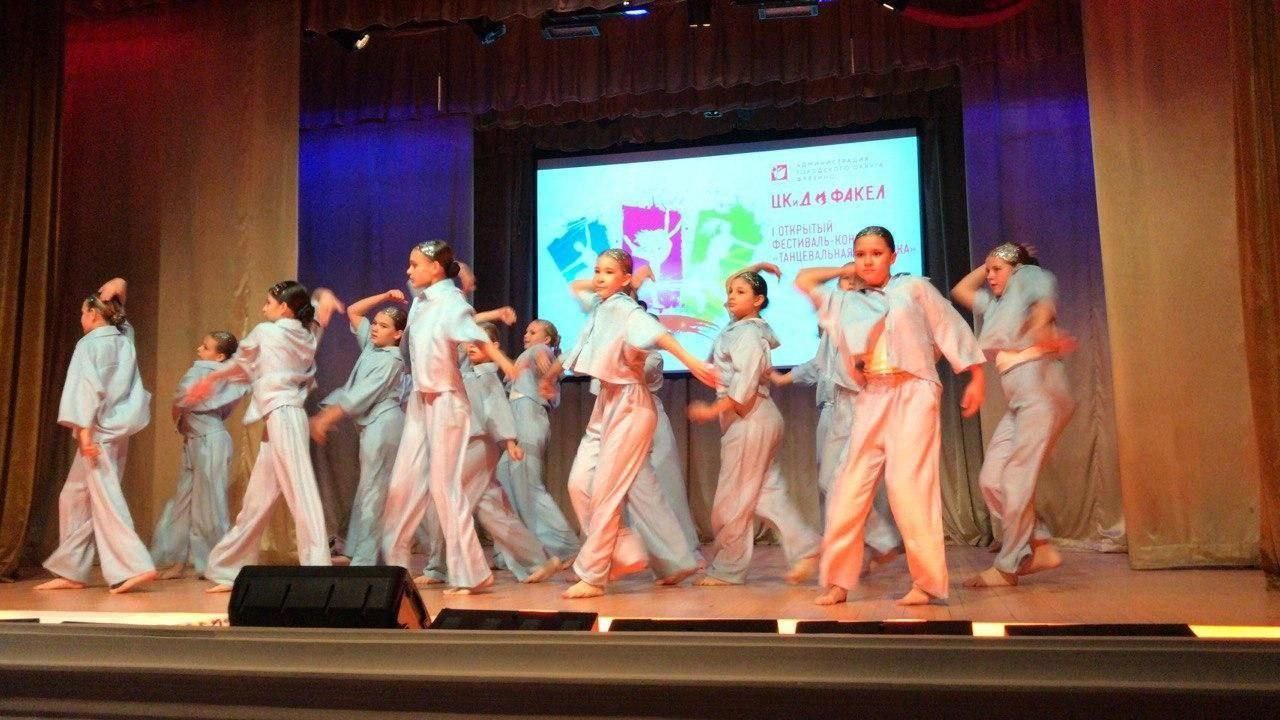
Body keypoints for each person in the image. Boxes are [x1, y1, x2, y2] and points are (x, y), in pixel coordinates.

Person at [797, 226, 986, 606]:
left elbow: (949, 326)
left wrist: (976, 377)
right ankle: (838, 581)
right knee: (847, 487)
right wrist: (844, 271)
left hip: (914, 391)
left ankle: (926, 584)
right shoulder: (845, 300)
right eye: (861, 254)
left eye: (876, 253)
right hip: (872, 395)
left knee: (908, 486)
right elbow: (804, 280)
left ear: (893, 256)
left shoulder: (913, 288)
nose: (868, 261)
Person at [541, 249, 718, 599]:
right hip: (606, 404)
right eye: (598, 270)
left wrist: (693, 362)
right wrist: (622, 279)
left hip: (631, 404)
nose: (599, 277)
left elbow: (660, 335)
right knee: (580, 483)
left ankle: (595, 574)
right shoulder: (601, 306)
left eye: (609, 272)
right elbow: (578, 289)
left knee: (607, 491)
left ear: (623, 280)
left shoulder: (627, 309)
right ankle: (668, 558)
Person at [186, 280, 344, 592]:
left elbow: (241, 365)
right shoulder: (305, 334)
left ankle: (318, 570)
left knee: (301, 492)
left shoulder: (267, 332)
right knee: (256, 501)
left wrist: (211, 379)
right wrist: (323, 300)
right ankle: (229, 569)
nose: (263, 308)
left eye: (268, 302)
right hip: (281, 417)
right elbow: (316, 317)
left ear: (284, 308)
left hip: (284, 414)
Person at [379, 240, 517, 594]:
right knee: (401, 487)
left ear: (436, 268)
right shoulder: (421, 303)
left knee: (445, 488)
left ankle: (471, 572)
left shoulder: (451, 300)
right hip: (420, 401)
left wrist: (504, 362)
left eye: (415, 264)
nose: (408, 270)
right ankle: (394, 574)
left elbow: (473, 333)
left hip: (447, 401)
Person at [950, 242, 1075, 588]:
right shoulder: (995, 304)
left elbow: (1044, 303)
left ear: (1016, 270)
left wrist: (1041, 327)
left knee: (1016, 478)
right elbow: (960, 290)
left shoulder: (1028, 276)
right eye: (987, 270)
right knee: (992, 480)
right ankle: (1041, 545)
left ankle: (1008, 566)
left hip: (1040, 387)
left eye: (997, 270)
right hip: (1019, 399)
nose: (990, 276)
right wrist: (992, 261)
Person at [687, 266, 820, 586]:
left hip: (750, 417)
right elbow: (731, 283)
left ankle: (728, 568)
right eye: (730, 292)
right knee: (763, 493)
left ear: (758, 300)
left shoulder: (748, 334)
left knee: (732, 499)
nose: (731, 296)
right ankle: (807, 548)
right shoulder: (742, 328)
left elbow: (744, 386)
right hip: (753, 418)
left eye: (741, 292)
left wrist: (711, 410)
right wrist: (756, 267)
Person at [37, 277, 157, 594]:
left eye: (82, 313)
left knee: (106, 500)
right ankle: (72, 569)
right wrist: (120, 284)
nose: (81, 318)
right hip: (116, 429)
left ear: (92, 314)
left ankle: (134, 566)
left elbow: (86, 390)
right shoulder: (123, 339)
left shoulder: (89, 344)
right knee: (73, 496)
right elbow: (121, 312)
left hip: (98, 432)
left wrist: (85, 436)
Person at [309, 290, 410, 566]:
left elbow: (358, 396)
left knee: (374, 492)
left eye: (383, 326)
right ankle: (358, 551)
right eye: (375, 323)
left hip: (384, 426)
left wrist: (325, 419)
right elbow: (353, 310)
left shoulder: (391, 360)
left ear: (398, 334)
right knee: (368, 488)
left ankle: (365, 559)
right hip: (371, 426)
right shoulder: (372, 346)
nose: (375, 328)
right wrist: (385, 296)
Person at [150, 330, 247, 579]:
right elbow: (182, 403)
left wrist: (184, 410)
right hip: (195, 442)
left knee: (210, 506)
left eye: (206, 347)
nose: (199, 350)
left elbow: (181, 401)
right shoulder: (217, 373)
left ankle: (217, 564)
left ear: (220, 356)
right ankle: (178, 561)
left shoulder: (209, 372)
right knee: (182, 504)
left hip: (210, 442)